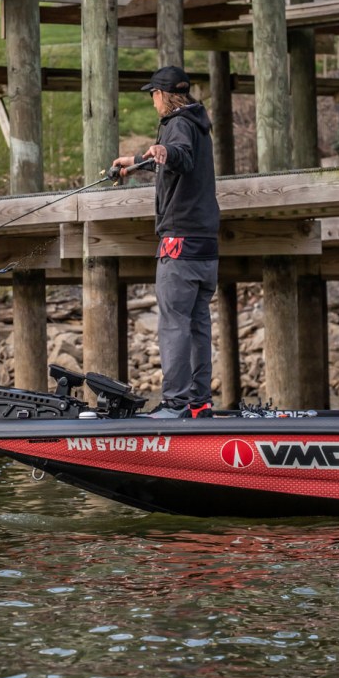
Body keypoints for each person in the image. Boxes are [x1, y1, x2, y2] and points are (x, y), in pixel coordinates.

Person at [113, 65, 220, 418]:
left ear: (161, 95)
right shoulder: (198, 123)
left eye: (153, 95)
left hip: (180, 244)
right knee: (198, 324)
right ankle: (199, 403)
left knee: (174, 324)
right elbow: (175, 160)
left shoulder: (176, 125)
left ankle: (174, 405)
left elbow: (179, 156)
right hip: (206, 246)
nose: (153, 102)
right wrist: (136, 162)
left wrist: (165, 151)